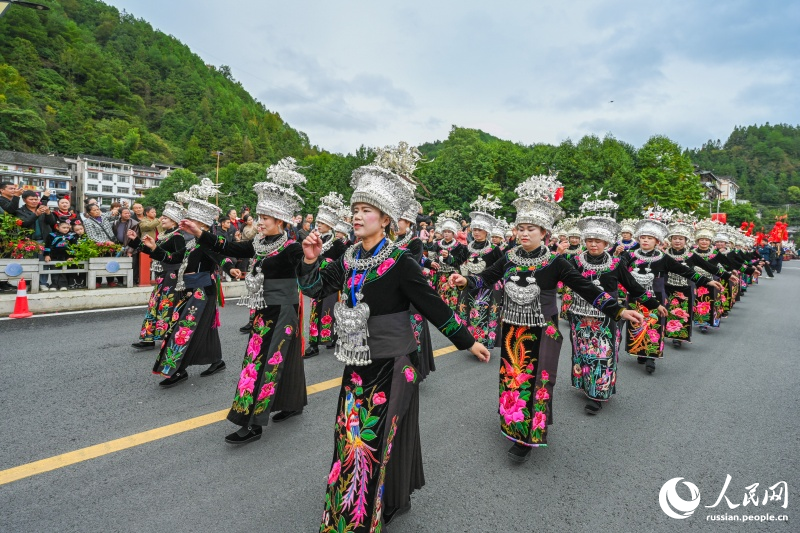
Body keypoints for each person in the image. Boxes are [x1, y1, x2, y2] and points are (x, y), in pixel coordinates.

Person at [299, 154, 490, 531]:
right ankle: (374, 502)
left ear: (385, 219)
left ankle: (360, 517)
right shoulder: (348, 258)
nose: (356, 216)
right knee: (349, 434)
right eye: (354, 210)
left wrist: (467, 341)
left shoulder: (402, 262)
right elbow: (314, 288)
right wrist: (309, 261)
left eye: (365, 210)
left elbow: (432, 305)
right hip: (357, 363)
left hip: (394, 363)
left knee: (372, 438)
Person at [450, 174, 643, 463]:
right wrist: (465, 282)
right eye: (521, 228)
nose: (524, 234)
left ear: (545, 234)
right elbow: (486, 279)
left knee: (539, 380)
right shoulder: (510, 256)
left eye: (531, 229)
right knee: (511, 378)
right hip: (512, 328)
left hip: (543, 330)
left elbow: (586, 288)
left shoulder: (556, 263)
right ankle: (514, 423)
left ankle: (530, 435)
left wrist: (617, 310)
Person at [186, 160, 308, 443]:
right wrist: (200, 234)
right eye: (259, 215)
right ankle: (292, 402)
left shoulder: (293, 248)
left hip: (284, 311)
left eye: (265, 217)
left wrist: (312, 257)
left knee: (264, 362)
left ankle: (252, 422)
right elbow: (229, 247)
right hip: (263, 311)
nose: (259, 221)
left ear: (280, 221)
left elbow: (308, 271)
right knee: (275, 358)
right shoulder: (258, 244)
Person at [566, 195, 661, 414]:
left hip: (607, 316)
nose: (593, 244)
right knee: (582, 352)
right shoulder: (575, 262)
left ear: (607, 243)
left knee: (603, 353)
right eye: (589, 240)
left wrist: (655, 304)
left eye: (598, 241)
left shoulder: (616, 264)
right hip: (579, 315)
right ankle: (585, 384)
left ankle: (597, 395)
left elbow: (635, 288)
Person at [624, 209, 723, 374]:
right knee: (636, 323)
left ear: (657, 241)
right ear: (638, 239)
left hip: (656, 296)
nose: (645, 241)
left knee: (654, 324)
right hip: (635, 297)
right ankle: (640, 351)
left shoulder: (663, 258)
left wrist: (707, 280)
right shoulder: (629, 256)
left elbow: (685, 271)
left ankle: (651, 357)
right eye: (643, 238)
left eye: (649, 238)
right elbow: (616, 271)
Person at [152, 180, 229, 387]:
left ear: (202, 225)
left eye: (191, 221)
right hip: (187, 289)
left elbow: (223, 258)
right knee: (205, 328)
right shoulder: (190, 243)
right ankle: (217, 360)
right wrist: (146, 246)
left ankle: (178, 369)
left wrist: (232, 269)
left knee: (183, 328)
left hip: (202, 291)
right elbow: (171, 258)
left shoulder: (207, 242)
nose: (186, 224)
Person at [663, 216, 736, 347]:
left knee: (682, 311)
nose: (677, 241)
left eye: (681, 239)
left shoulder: (690, 256)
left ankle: (678, 337)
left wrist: (726, 275)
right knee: (666, 311)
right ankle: (665, 333)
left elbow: (708, 266)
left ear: (686, 241)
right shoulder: (663, 255)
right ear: (670, 240)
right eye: (675, 238)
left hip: (685, 286)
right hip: (665, 287)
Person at [129, 201, 187, 350]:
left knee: (167, 306)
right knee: (155, 305)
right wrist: (135, 240)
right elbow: (152, 251)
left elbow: (178, 257)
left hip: (172, 275)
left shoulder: (178, 237)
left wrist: (158, 251)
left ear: (174, 220)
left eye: (165, 218)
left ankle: (168, 336)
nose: (162, 220)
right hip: (162, 274)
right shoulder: (164, 235)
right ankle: (148, 339)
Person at [304, 192, 348, 358]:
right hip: (316, 280)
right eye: (318, 222)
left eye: (322, 222)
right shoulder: (314, 239)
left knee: (330, 310)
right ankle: (313, 344)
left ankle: (331, 337)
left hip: (331, 283)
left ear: (330, 225)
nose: (319, 225)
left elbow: (344, 261)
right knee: (316, 311)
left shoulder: (337, 243)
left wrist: (327, 263)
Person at [456, 195, 504, 348]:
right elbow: (456, 262)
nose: (476, 233)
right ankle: (471, 342)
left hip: (487, 287)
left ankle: (484, 343)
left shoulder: (494, 249)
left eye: (480, 230)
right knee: (469, 312)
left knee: (483, 313)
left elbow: (502, 268)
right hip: (469, 284)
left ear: (487, 232)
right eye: (474, 229)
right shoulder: (467, 247)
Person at [428, 211, 469, 310]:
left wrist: (449, 257)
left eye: (449, 232)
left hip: (453, 274)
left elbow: (460, 260)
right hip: (440, 274)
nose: (446, 234)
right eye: (445, 231)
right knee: (440, 296)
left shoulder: (459, 246)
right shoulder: (437, 244)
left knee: (453, 297)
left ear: (453, 233)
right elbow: (431, 256)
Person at [43, 220, 78, 291]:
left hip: (65, 257)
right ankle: (54, 284)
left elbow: (73, 247)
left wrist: (71, 256)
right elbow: (47, 246)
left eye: (67, 228)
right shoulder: (52, 235)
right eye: (63, 227)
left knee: (63, 271)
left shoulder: (71, 237)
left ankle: (63, 284)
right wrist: (47, 255)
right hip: (54, 256)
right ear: (57, 227)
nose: (66, 229)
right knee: (54, 270)